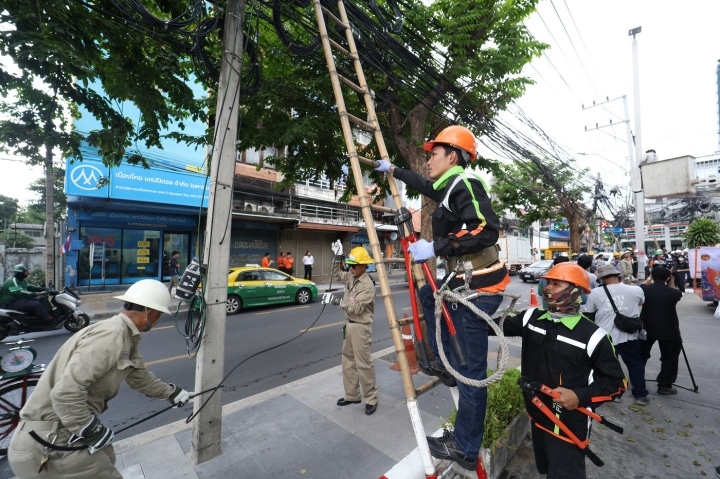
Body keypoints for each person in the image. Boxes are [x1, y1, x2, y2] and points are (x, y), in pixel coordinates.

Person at [376, 124, 510, 470]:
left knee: (471, 370)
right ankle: (444, 365)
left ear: (452, 156)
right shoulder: (449, 186)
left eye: (433, 154)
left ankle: (465, 446)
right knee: (426, 296)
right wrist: (395, 171)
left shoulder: (465, 182)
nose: (428, 160)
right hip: (464, 284)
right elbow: (424, 184)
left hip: (478, 287)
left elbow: (485, 230)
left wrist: (436, 246)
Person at [7, 279, 191, 479]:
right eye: (160, 314)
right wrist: (90, 429)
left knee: (108, 456)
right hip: (50, 442)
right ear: (152, 312)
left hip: (58, 436)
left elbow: (140, 377)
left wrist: (172, 393)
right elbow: (66, 393)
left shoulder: (124, 335)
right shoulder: (111, 336)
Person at [497, 263, 626, 478]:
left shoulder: (594, 337)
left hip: (567, 425)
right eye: (547, 282)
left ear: (575, 291)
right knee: (546, 468)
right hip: (537, 416)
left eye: (556, 284)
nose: (547, 287)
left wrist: (579, 395)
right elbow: (491, 325)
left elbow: (616, 384)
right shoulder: (531, 318)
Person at [321, 246, 378, 416]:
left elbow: (356, 308)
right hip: (349, 325)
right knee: (348, 362)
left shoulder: (367, 285)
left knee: (363, 364)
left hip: (361, 328)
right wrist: (337, 256)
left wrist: (336, 301)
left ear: (363, 266)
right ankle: (352, 395)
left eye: (354, 266)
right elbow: (336, 274)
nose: (350, 269)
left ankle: (371, 398)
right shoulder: (351, 277)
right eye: (350, 265)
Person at [582, 264, 649, 405]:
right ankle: (640, 395)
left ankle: (615, 393)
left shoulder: (595, 293)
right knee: (635, 365)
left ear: (602, 278)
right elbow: (642, 302)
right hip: (629, 336)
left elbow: (588, 311)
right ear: (617, 275)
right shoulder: (636, 290)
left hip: (605, 337)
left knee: (609, 367)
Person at [639, 267, 683, 395]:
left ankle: (638, 381)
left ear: (652, 276)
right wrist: (672, 279)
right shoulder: (673, 293)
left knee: (641, 355)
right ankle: (664, 385)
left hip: (646, 328)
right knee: (670, 358)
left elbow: (642, 286)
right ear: (668, 278)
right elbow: (675, 291)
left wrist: (649, 278)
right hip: (669, 329)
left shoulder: (645, 290)